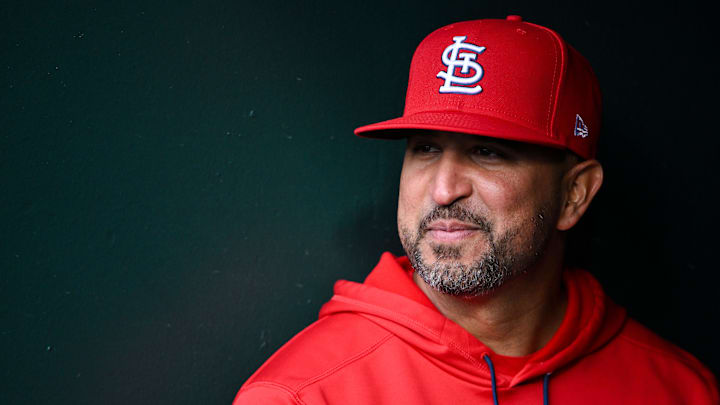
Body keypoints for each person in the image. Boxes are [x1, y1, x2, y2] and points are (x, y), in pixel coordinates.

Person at [233, 16, 718, 404]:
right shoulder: (301, 395)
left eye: (489, 152)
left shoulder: (677, 390)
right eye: (424, 148)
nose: (443, 189)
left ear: (575, 195)